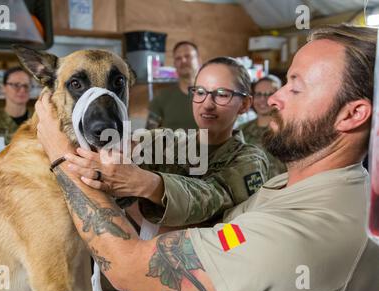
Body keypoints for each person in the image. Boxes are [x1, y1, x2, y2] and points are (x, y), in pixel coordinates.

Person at [35, 24, 379, 291]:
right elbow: (226, 230)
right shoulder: (286, 186)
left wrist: (60, 156)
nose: (272, 99)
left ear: (353, 114)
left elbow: (133, 267)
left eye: (295, 88)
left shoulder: (295, 227)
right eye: (199, 92)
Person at [39, 57, 270, 230]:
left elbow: (212, 198)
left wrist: (146, 184)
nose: (207, 104)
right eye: (200, 92)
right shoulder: (164, 142)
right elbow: (109, 157)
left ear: (244, 104)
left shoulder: (249, 161)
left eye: (222, 94)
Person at [146, 41, 201, 130]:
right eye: (178, 58)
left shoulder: (213, 96)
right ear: (174, 64)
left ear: (198, 60)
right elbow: (148, 133)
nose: (183, 60)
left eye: (187, 56)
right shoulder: (162, 97)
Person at [239, 75, 287, 178]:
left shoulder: (288, 131)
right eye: (258, 94)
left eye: (269, 94)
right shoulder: (241, 131)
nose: (263, 99)